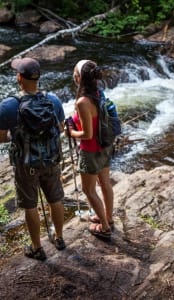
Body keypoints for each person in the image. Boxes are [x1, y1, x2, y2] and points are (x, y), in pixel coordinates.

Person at [0, 57, 66, 261]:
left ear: (19, 78)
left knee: (31, 205)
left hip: (26, 165)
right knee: (55, 199)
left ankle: (36, 247)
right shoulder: (53, 100)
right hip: (51, 160)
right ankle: (59, 238)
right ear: (38, 77)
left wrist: (16, 136)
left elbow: (1, 138)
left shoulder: (9, 105)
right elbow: (60, 129)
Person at [67, 59, 114, 240]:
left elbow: (87, 135)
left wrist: (70, 132)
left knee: (89, 190)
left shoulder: (83, 102)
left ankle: (104, 227)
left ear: (79, 78)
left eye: (74, 74)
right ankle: (108, 217)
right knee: (105, 183)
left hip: (91, 150)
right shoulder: (99, 93)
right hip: (105, 145)